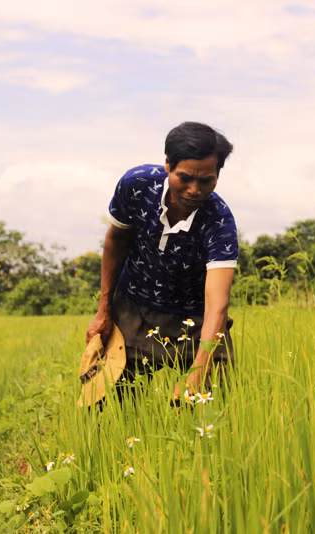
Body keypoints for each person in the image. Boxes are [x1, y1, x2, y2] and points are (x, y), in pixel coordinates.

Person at [85, 122, 238, 403]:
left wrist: (198, 370)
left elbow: (218, 304)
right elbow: (115, 241)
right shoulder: (137, 185)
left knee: (214, 407)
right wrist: (104, 310)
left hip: (195, 319)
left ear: (217, 175)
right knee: (107, 404)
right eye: (185, 178)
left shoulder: (219, 221)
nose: (194, 190)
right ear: (168, 164)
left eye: (206, 181)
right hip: (134, 307)